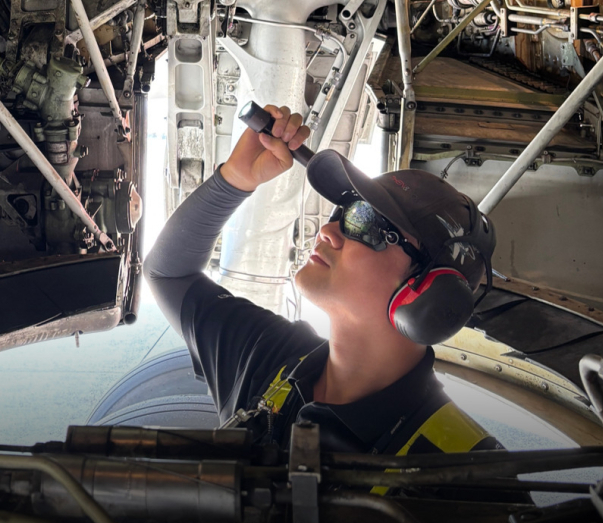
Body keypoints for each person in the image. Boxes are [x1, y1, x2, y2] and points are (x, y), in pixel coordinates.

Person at [144, 104, 502, 465]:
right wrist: (234, 179)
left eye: (363, 220)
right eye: (340, 212)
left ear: (428, 289)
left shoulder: (470, 468)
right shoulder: (269, 356)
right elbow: (168, 274)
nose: (328, 231)